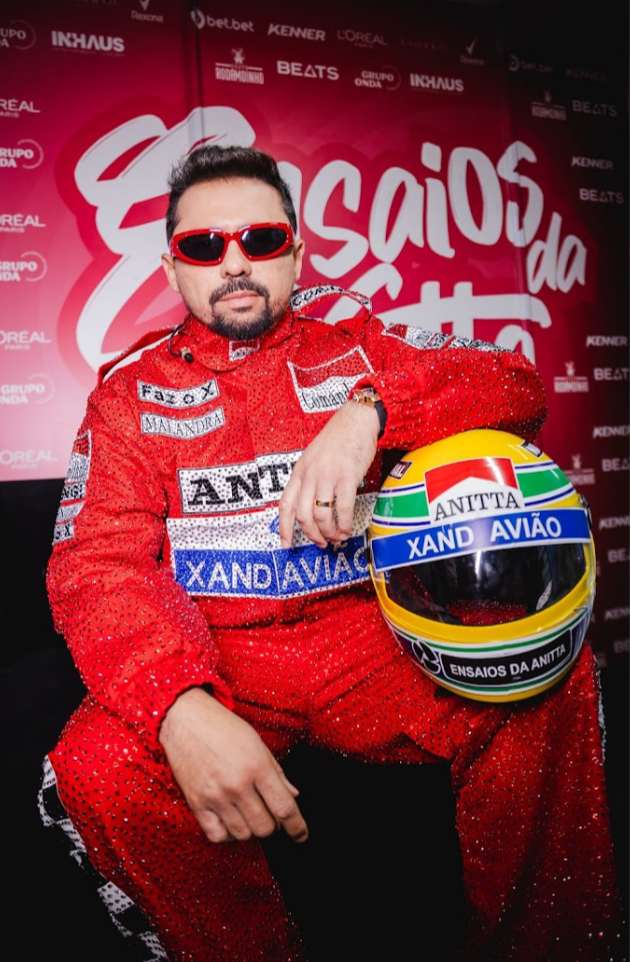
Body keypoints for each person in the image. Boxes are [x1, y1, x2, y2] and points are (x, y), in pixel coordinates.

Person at [38, 144, 624, 962]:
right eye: (204, 246)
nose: (234, 263)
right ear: (172, 269)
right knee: (96, 764)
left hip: (371, 644)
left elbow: (513, 384)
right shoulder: (127, 396)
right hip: (221, 657)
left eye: (261, 240)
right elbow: (97, 564)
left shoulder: (359, 344)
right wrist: (176, 704)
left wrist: (371, 412)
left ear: (296, 252)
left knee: (545, 680)